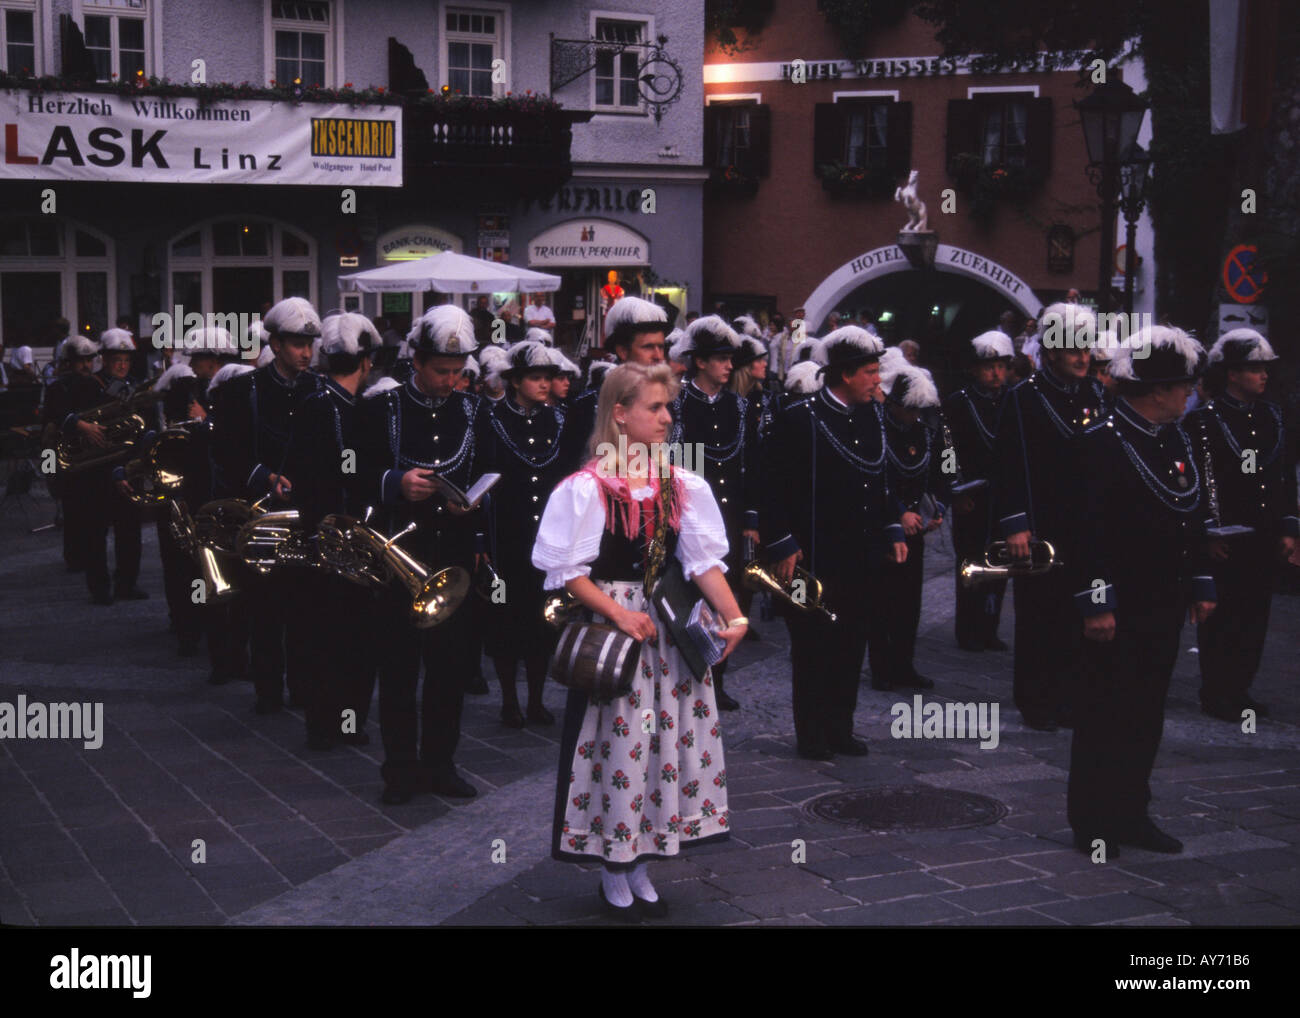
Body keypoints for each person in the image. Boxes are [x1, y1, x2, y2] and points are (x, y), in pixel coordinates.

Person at [533, 362, 744, 919]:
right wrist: (618, 615)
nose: (667, 418)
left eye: (668, 407)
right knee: (617, 746)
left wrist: (735, 616)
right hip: (619, 633)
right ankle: (613, 867)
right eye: (654, 407)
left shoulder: (682, 484)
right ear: (620, 414)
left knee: (665, 747)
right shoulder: (587, 488)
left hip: (669, 633)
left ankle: (644, 863)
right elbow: (566, 571)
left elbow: (703, 563)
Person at [1068, 326, 1216, 855]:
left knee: (1145, 712)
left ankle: (1132, 813)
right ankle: (1094, 820)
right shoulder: (1101, 442)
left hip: (1163, 601)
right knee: (1104, 712)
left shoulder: (1174, 437)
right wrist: (1097, 603)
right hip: (1117, 604)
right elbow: (1087, 533)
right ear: (1157, 390)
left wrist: (1200, 581)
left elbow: (1190, 514)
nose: (1190, 394)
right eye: (1184, 385)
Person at [763, 327, 907, 760]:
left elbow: (882, 477)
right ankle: (812, 734)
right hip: (812, 555)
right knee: (813, 647)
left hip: (860, 554)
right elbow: (770, 486)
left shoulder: (873, 416)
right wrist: (783, 542)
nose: (877, 380)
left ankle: (840, 728)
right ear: (844, 374)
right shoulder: (799, 417)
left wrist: (893, 527)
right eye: (869, 372)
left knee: (851, 642)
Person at [361, 304, 483, 803]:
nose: (450, 381)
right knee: (398, 669)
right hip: (397, 558)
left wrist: (471, 505)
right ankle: (399, 770)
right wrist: (393, 482)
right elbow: (345, 473)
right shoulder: (379, 409)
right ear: (415, 360)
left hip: (453, 556)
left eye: (458, 372)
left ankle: (441, 763)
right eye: (440, 371)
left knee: (449, 670)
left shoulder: (477, 410)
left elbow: (493, 474)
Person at [994, 304, 1106, 731]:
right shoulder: (1023, 397)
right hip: (1040, 524)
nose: (1083, 357)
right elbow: (1007, 465)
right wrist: (1016, 523)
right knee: (1040, 614)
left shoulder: (1096, 395)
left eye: (1086, 349)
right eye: (1073, 349)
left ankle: (1069, 697)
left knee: (1078, 612)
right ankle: (1035, 700)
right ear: (1053, 351)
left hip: (1086, 524)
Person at [209, 297, 323, 714]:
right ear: (275, 344)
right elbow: (224, 449)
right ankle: (269, 689)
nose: (306, 353)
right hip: (259, 514)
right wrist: (263, 476)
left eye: (310, 344)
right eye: (297, 344)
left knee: (306, 609)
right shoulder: (244, 389)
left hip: (306, 514)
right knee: (265, 606)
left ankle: (304, 685)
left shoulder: (319, 388)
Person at [1187, 329, 1298, 722]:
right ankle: (1216, 692)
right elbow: (1197, 484)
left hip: (1262, 534)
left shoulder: (1272, 416)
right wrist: (1207, 534)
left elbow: (1284, 476)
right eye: (1253, 369)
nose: (1262, 376)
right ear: (1232, 373)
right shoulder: (1204, 420)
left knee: (1254, 616)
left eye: (1264, 369)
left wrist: (1288, 528)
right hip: (1226, 536)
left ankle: (1240, 688)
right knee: (1222, 619)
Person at [285, 311, 382, 751]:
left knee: (331, 639)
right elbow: (345, 477)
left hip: (324, 537)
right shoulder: (342, 408)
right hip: (340, 540)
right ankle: (338, 724)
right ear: (365, 362)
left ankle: (329, 723)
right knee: (349, 641)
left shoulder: (317, 402)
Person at [476, 341, 567, 728]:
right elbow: (478, 481)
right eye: (536, 378)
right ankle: (509, 700)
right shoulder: (490, 418)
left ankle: (535, 700)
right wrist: (481, 539)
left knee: (542, 621)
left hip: (544, 537)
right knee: (504, 620)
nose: (545, 384)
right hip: (506, 535)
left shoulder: (558, 420)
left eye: (549, 377)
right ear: (514, 381)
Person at [670, 316, 757, 711]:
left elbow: (753, 462)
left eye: (730, 358)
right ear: (700, 361)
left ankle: (716, 679)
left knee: (727, 597)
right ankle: (683, 673)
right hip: (689, 514)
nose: (728, 365)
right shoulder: (677, 402)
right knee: (688, 596)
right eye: (721, 358)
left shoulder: (739, 406)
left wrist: (751, 520)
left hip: (729, 515)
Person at [870, 361, 948, 691]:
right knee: (883, 600)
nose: (915, 416)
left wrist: (938, 507)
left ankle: (905, 664)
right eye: (910, 410)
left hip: (917, 523)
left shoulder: (927, 431)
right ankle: (882, 668)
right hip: (886, 523)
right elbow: (876, 478)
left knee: (910, 602)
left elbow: (944, 468)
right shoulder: (878, 429)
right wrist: (899, 513)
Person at [944, 330, 1014, 651]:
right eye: (989, 366)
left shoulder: (1013, 399)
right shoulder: (959, 402)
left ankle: (989, 628)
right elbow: (947, 450)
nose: (996, 373)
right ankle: (967, 629)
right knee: (970, 562)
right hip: (971, 493)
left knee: (1000, 560)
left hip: (1002, 495)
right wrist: (954, 490)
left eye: (1001, 365)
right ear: (975, 369)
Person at [561, 296, 668, 474]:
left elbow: (677, 465)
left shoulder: (673, 401)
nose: (658, 356)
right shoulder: (587, 404)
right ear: (623, 351)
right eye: (648, 347)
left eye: (661, 347)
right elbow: (571, 469)